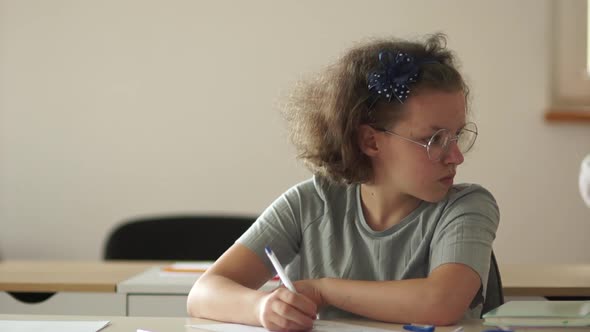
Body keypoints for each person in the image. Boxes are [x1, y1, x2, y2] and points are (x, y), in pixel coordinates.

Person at [187, 34, 499, 330]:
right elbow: (204, 293)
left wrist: (323, 291)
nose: (456, 156)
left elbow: (441, 303)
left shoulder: (467, 207)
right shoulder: (311, 203)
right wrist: (262, 308)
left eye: (456, 135)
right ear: (371, 142)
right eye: (434, 139)